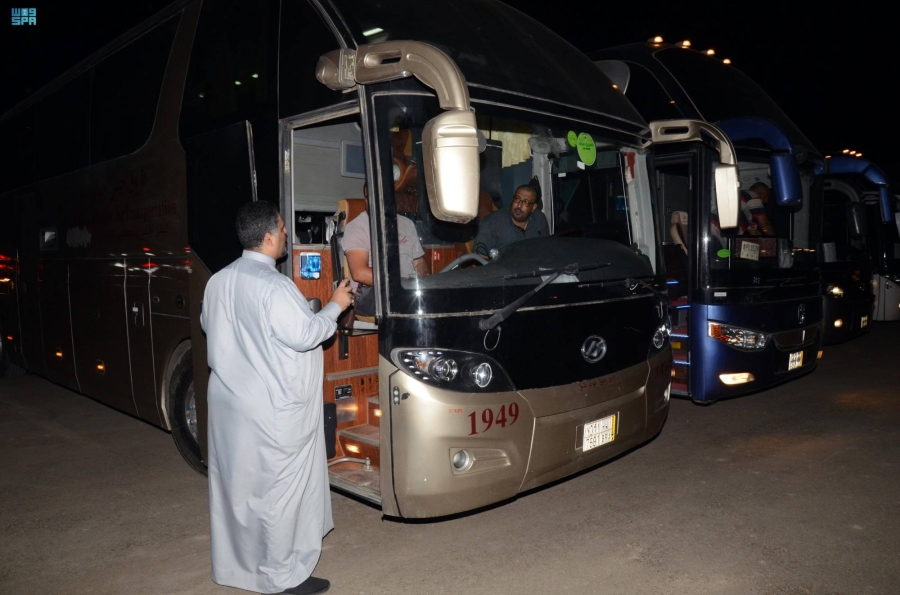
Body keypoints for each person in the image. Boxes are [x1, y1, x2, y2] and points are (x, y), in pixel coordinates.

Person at [201, 201, 353, 595]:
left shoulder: (217, 281)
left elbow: (210, 326)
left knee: (240, 491)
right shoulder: (275, 286)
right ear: (269, 237)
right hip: (271, 410)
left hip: (229, 404)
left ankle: (238, 570)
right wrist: (336, 304)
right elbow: (306, 334)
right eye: (283, 228)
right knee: (278, 495)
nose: (286, 233)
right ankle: (282, 578)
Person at [341, 182, 429, 317]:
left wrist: (422, 285)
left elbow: (419, 262)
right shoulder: (357, 227)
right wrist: (401, 285)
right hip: (370, 292)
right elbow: (360, 273)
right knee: (410, 302)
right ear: (366, 199)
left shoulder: (407, 224)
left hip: (406, 289)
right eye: (371, 197)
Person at [473, 184, 550, 258]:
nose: (519, 205)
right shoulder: (492, 223)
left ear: (533, 207)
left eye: (526, 202)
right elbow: (479, 258)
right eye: (517, 199)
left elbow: (546, 248)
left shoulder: (539, 219)